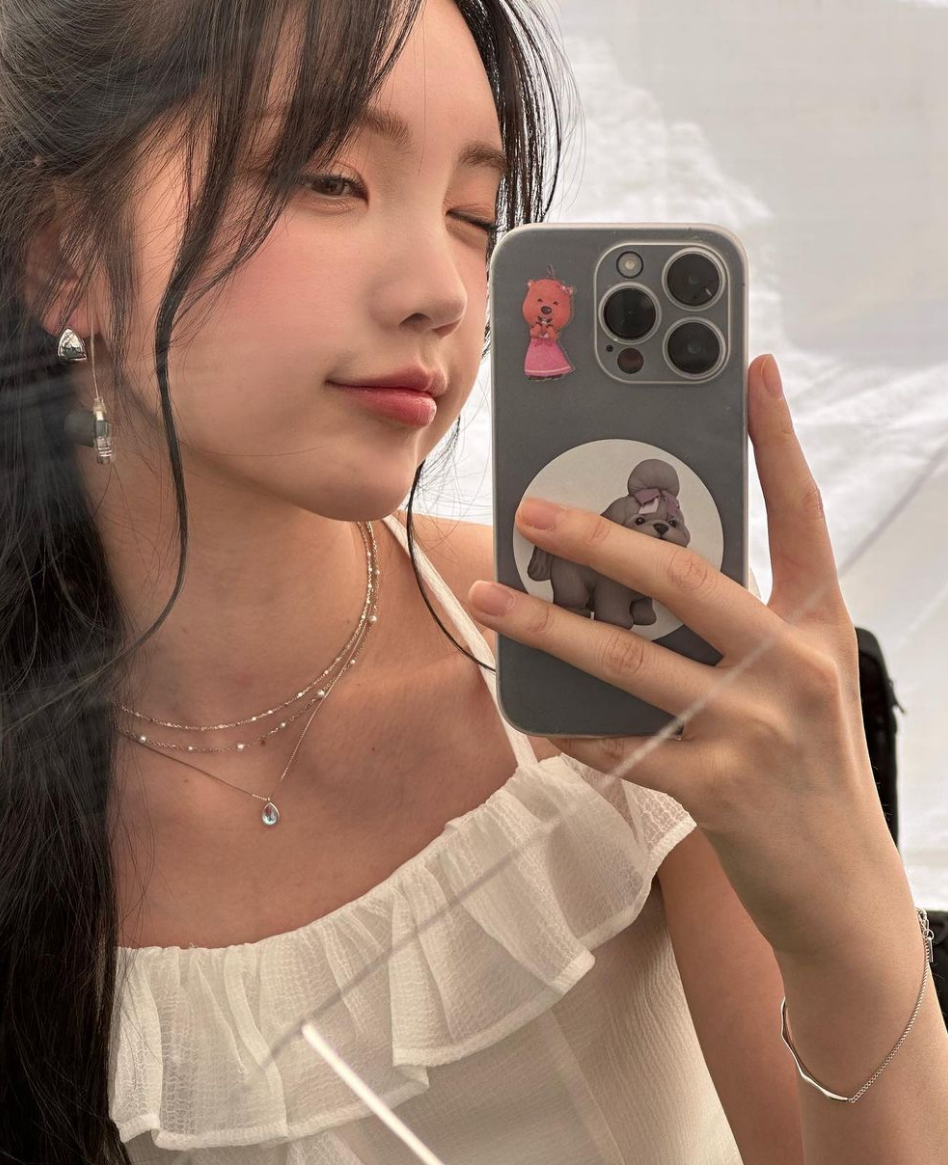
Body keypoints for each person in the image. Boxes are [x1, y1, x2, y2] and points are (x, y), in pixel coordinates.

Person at [10, 2, 931, 1164]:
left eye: (473, 217)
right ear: (64, 255)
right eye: (330, 179)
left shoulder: (604, 680)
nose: (443, 291)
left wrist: (851, 917)